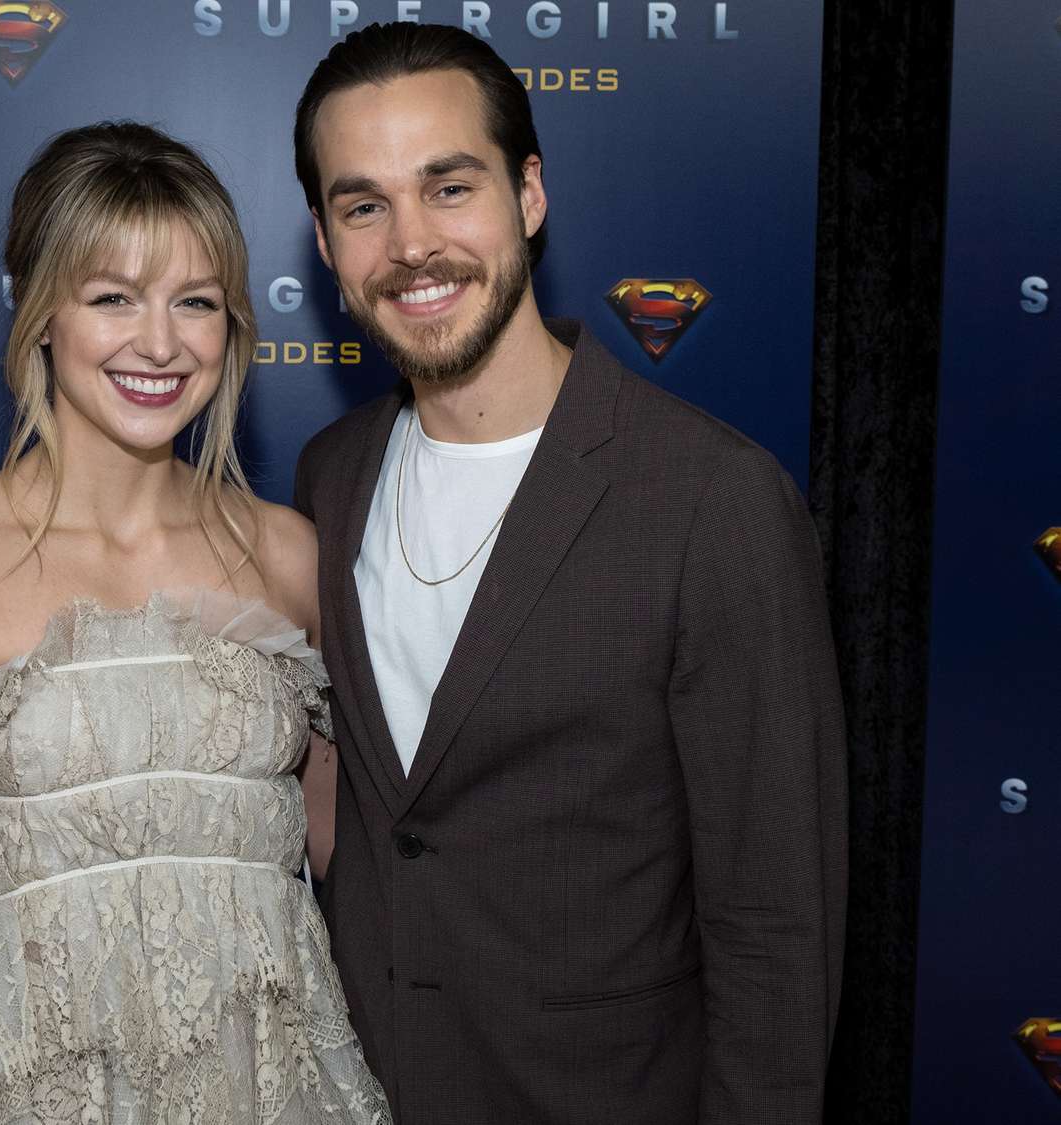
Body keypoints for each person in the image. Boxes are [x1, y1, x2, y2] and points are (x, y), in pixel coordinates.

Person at [289, 23, 848, 1125]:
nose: (412, 245)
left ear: (529, 195)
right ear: (323, 240)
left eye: (449, 188)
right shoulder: (330, 475)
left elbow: (778, 927)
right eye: (365, 207)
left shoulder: (714, 502)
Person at [0, 122, 390, 1125]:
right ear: (44, 313)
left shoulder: (291, 554)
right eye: (113, 298)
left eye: (196, 302)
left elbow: (352, 865)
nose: (160, 343)